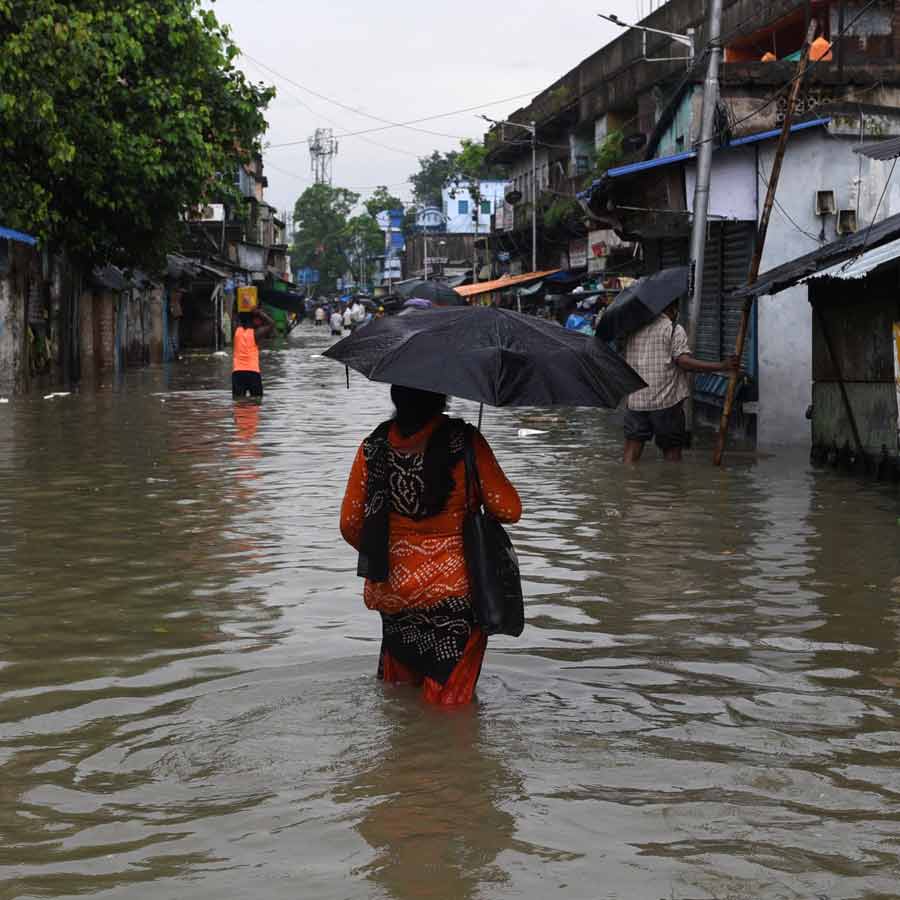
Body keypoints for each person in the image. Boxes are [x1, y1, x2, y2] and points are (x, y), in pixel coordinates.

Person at [340, 386, 522, 705]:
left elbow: (351, 525)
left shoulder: (373, 447)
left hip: (394, 594)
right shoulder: (465, 442)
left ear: (396, 396)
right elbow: (509, 509)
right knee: (449, 714)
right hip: (455, 599)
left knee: (399, 704)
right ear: (443, 397)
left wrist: (396, 554)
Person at [623, 300, 738, 463]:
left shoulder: (633, 330)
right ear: (673, 308)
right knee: (672, 452)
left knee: (632, 450)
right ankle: (673, 487)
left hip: (636, 401)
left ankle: (626, 486)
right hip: (666, 402)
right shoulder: (672, 329)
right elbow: (683, 361)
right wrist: (722, 365)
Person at [232, 307, 273, 400]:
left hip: (237, 373)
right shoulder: (256, 334)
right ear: (255, 320)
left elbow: (234, 315)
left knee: (238, 403)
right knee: (257, 402)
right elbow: (271, 323)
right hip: (253, 373)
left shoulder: (236, 331)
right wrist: (259, 312)